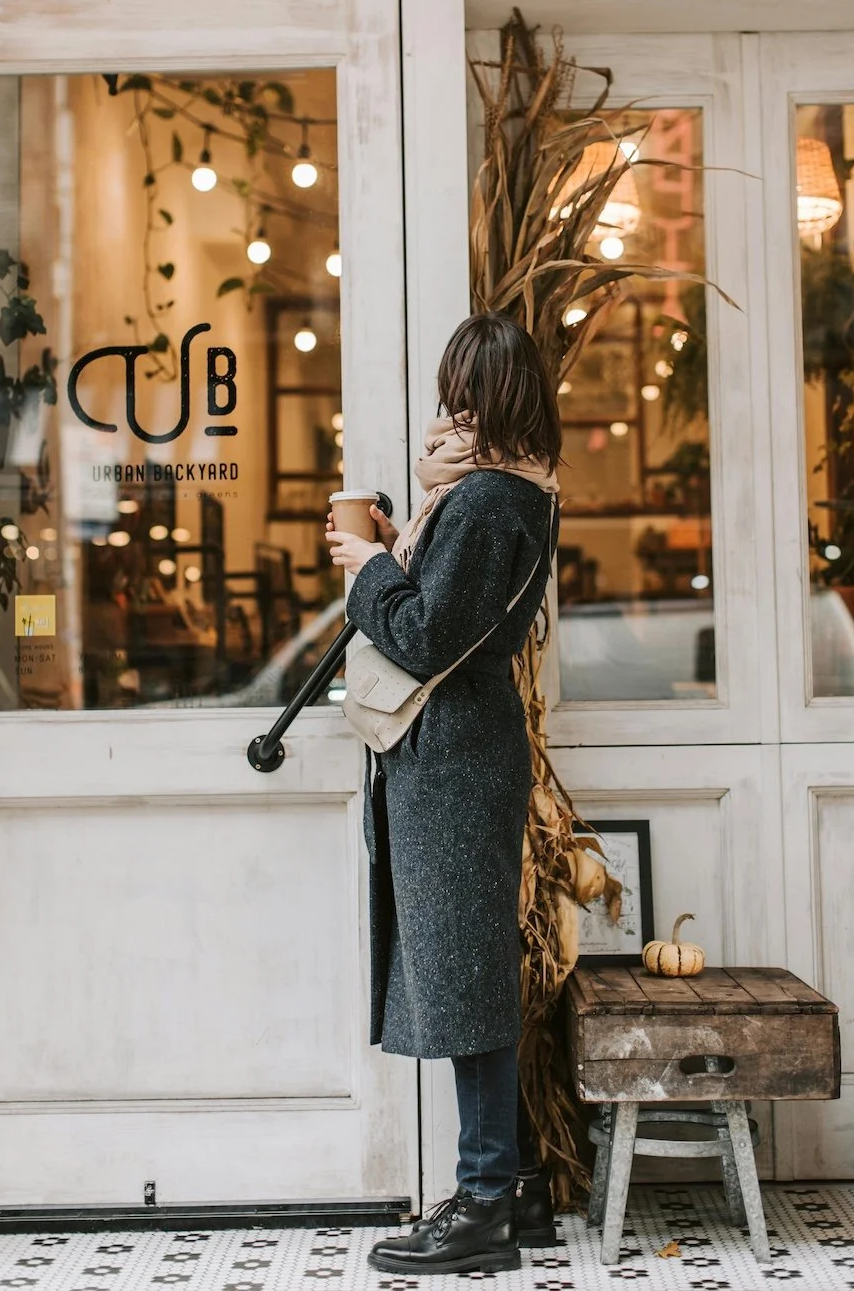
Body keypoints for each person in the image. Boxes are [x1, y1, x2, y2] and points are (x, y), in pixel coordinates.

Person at [325, 312, 561, 1275]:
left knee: (466, 982)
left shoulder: (486, 501)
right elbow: (449, 616)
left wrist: (370, 568)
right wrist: (396, 554)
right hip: (459, 756)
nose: (448, 409)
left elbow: (423, 636)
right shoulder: (506, 496)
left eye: (461, 390)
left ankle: (484, 1203)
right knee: (470, 974)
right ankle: (507, 1187)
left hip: (456, 761)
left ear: (487, 395)